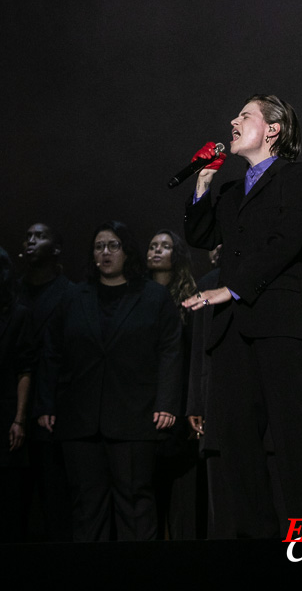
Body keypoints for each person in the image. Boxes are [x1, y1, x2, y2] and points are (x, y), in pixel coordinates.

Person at [183, 94, 302, 538]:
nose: (232, 120)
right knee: (238, 447)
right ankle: (255, 543)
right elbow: (199, 233)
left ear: (273, 129)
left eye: (244, 115)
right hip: (233, 332)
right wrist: (203, 184)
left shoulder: (296, 175)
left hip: (277, 323)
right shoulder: (230, 190)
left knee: (290, 441)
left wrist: (232, 287)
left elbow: (286, 241)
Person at [35, 220, 182, 542]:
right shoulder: (74, 297)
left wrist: (167, 403)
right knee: (87, 505)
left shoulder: (154, 297)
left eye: (113, 246)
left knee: (134, 500)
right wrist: (46, 403)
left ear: (127, 251)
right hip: (80, 417)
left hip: (135, 415)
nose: (105, 253)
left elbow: (170, 352)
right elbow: (51, 352)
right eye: (99, 247)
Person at [146, 229, 202, 539]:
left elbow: (194, 356)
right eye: (152, 246)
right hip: (145, 404)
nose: (156, 251)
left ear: (176, 256)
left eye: (164, 246)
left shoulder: (191, 300)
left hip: (181, 404)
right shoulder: (136, 295)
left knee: (183, 500)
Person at [19, 222, 73, 541]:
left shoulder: (69, 293)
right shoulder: (13, 291)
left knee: (54, 493)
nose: (31, 240)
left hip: (52, 406)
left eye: (40, 236)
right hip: (15, 403)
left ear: (55, 249)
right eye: (28, 235)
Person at [0, 246, 33, 542]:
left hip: (5, 414)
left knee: (10, 503)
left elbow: (25, 369)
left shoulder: (18, 314)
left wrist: (19, 419)